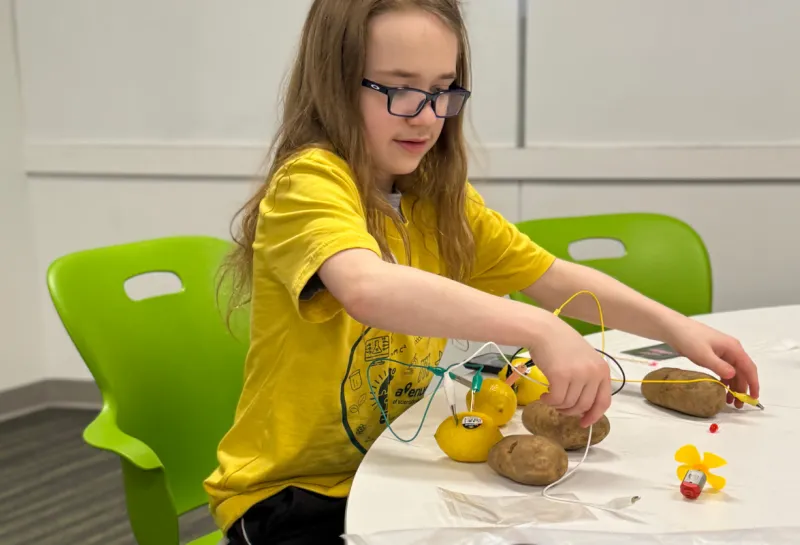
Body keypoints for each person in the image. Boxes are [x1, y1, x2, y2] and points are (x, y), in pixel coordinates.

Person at [204, 0, 760, 543]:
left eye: (443, 90)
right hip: (294, 497)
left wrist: (679, 329)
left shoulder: (437, 198)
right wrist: (540, 328)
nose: (427, 116)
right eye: (399, 89)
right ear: (334, 83)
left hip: (402, 464)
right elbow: (366, 286)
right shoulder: (308, 183)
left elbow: (551, 276)